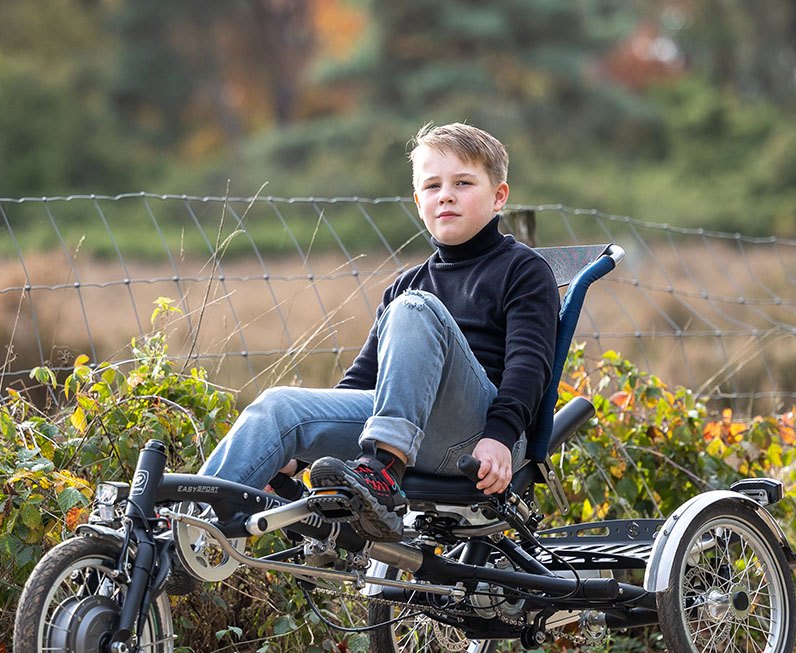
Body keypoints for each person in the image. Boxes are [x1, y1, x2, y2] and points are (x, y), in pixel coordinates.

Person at [199, 122, 559, 541]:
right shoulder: (407, 283)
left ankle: (384, 473)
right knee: (278, 408)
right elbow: (362, 381)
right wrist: (298, 457)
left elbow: (529, 366)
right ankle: (190, 531)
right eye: (432, 186)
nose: (445, 194)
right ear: (418, 201)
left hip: (478, 439)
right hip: (405, 432)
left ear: (499, 197)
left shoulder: (523, 269)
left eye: (463, 183)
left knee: (416, 309)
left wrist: (500, 436)